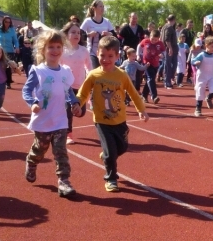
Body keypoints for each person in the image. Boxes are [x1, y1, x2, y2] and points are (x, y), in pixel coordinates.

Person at [76, 36, 149, 192]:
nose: (106, 59)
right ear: (97, 54)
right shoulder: (93, 75)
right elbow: (82, 93)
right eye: (102, 55)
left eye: (110, 56)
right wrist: (77, 104)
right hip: (102, 121)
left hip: (119, 120)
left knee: (122, 148)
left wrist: (141, 110)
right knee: (111, 152)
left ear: (117, 56)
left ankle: (106, 155)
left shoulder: (122, 75)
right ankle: (111, 178)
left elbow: (134, 94)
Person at [22, 29, 81, 197]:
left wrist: (75, 103)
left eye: (58, 47)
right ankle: (32, 161)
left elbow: (68, 91)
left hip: (60, 120)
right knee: (40, 149)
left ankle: (64, 181)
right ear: (43, 49)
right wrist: (33, 103)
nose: (55, 50)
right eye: (51, 47)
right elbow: (26, 91)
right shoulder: (38, 71)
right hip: (43, 120)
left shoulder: (65, 72)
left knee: (60, 152)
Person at [60, 21, 93, 144]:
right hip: (66, 86)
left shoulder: (84, 50)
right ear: (66, 35)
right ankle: (68, 134)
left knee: (81, 113)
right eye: (73, 32)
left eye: (78, 33)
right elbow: (57, 66)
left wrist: (91, 76)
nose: (76, 35)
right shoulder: (62, 50)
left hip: (81, 86)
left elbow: (88, 66)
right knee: (68, 110)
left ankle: (69, 113)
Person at [81, 0, 115, 69]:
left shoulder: (106, 21)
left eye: (103, 6)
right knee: (93, 70)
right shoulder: (88, 21)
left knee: (105, 71)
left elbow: (115, 36)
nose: (102, 8)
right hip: (92, 52)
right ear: (94, 8)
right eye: (100, 6)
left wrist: (109, 34)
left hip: (105, 52)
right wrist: (89, 35)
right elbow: (80, 34)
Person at [191, 36, 213, 117]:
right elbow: (192, 61)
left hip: (210, 76)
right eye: (212, 46)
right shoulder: (202, 55)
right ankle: (198, 108)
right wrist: (195, 62)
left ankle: (209, 98)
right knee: (200, 92)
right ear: (206, 45)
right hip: (201, 76)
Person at [138, 29, 165, 104]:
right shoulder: (145, 41)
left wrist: (162, 55)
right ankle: (154, 96)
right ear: (150, 36)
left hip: (155, 63)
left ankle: (144, 95)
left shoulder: (160, 43)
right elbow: (139, 46)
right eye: (152, 39)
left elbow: (164, 51)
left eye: (156, 40)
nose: (154, 41)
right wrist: (138, 55)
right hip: (147, 63)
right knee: (151, 78)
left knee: (150, 80)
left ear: (158, 38)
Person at [0, 17, 19, 86]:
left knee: (8, 66)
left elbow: (15, 40)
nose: (7, 23)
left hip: (9, 50)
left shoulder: (12, 30)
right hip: (0, 51)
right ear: (3, 22)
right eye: (6, 22)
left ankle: (8, 82)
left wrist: (17, 47)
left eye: (9, 22)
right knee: (0, 66)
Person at [161, 14, 179, 89]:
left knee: (173, 65)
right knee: (168, 66)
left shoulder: (166, 27)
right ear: (174, 20)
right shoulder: (168, 27)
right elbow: (167, 39)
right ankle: (167, 82)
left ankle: (169, 80)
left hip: (172, 48)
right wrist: (170, 48)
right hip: (169, 49)